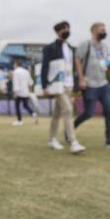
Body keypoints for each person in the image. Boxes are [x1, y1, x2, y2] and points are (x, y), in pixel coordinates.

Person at [74, 22, 110, 148]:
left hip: (103, 84)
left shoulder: (105, 47)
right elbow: (77, 59)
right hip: (90, 85)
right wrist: (81, 79)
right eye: (101, 30)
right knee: (88, 113)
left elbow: (105, 67)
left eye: (105, 30)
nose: (104, 32)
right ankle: (70, 130)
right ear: (93, 31)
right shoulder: (85, 45)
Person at [42, 21, 86, 154]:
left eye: (68, 28)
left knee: (57, 114)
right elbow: (45, 66)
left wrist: (77, 84)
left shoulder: (72, 49)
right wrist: (45, 85)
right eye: (64, 29)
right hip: (57, 85)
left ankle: (51, 139)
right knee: (67, 109)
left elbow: (74, 67)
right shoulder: (50, 48)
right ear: (57, 32)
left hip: (69, 85)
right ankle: (73, 142)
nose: (67, 31)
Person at [12, 60, 37, 126]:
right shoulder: (26, 71)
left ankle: (19, 121)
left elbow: (16, 82)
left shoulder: (16, 72)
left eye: (14, 64)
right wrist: (30, 91)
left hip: (19, 92)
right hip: (26, 92)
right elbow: (31, 83)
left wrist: (15, 93)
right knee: (25, 106)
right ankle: (33, 114)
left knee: (17, 106)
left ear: (16, 64)